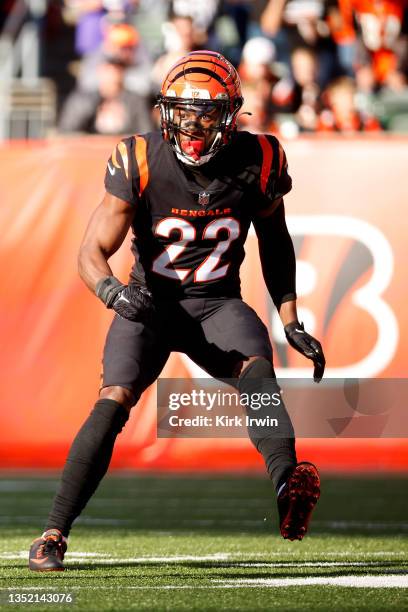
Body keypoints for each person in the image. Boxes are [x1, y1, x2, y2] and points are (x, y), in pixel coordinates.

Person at [28, 50, 325, 572]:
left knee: (259, 375)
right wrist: (112, 292)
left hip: (216, 305)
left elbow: (275, 243)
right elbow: (90, 252)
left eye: (206, 112)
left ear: (230, 114)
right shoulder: (140, 156)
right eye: (183, 111)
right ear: (166, 109)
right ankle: (52, 534)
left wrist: (290, 318)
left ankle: (286, 485)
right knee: (113, 401)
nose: (192, 123)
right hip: (149, 303)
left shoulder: (259, 159)